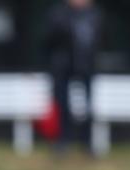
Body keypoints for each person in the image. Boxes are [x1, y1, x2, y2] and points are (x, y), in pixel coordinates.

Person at [44, 0, 103, 153]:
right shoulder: (59, 12)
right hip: (63, 65)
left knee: (88, 107)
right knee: (63, 105)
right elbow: (51, 38)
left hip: (86, 64)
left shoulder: (93, 13)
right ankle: (63, 141)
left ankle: (87, 143)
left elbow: (99, 38)